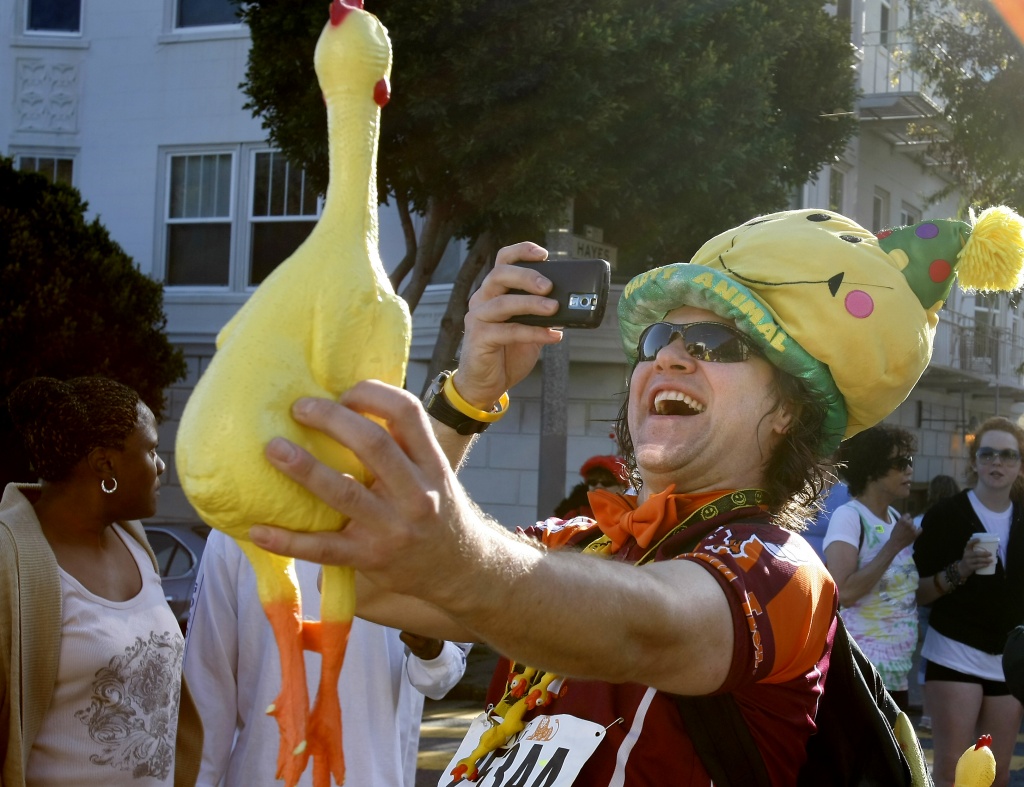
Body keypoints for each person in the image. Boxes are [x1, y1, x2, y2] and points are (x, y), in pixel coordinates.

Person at [249, 207, 1023, 784]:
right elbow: (373, 575)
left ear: (789, 410)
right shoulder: (586, 541)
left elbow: (641, 627)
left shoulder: (781, 569)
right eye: (659, 341)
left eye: (717, 345)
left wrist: (459, 559)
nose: (673, 358)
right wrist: (469, 396)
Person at [0, 376, 202, 787]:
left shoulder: (135, 542)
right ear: (105, 464)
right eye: (149, 449)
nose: (160, 464)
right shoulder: (12, 561)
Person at [183, 530, 469, 787]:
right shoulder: (236, 533)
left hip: (375, 776)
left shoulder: (409, 529)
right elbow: (205, 694)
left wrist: (432, 651)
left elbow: (440, 678)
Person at [914, 417, 1024, 787]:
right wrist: (961, 568)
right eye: (988, 453)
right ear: (975, 461)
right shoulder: (946, 516)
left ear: (1020, 465)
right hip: (955, 650)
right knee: (953, 772)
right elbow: (920, 593)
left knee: (997, 775)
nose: (998, 462)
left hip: (1009, 657)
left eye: (1009, 455)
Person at [822, 424, 921, 711]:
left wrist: (960, 568)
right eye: (901, 463)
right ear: (871, 468)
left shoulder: (893, 518)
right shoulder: (849, 516)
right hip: (861, 673)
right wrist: (893, 546)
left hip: (897, 676)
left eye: (910, 461)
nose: (910, 470)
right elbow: (843, 593)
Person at [912, 474, 961, 730]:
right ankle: (941, 712)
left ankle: (928, 712)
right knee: (941, 655)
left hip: (924, 590)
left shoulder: (921, 521)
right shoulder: (960, 521)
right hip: (951, 594)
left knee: (926, 653)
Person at [553, 455, 628, 519]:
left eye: (607, 483)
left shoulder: (631, 513)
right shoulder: (575, 515)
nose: (598, 486)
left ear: (623, 488)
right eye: (593, 482)